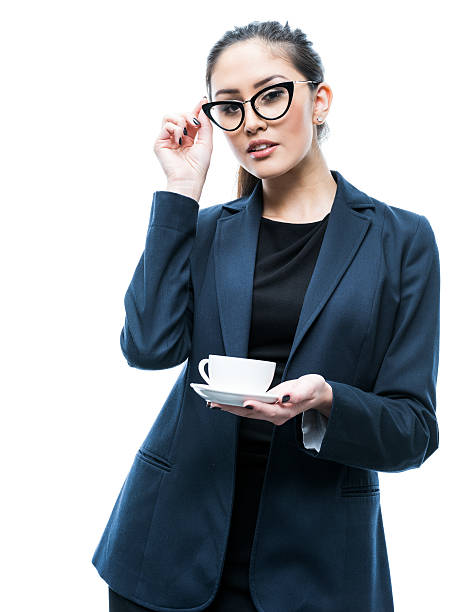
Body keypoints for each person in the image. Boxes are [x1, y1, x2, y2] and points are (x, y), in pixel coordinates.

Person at [93, 20, 440, 612]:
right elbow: (147, 346)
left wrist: (329, 399)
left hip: (317, 572)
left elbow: (414, 430)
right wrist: (181, 191)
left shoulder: (401, 239)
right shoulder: (206, 231)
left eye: (271, 94)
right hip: (168, 557)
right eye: (230, 106)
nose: (251, 119)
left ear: (319, 99)